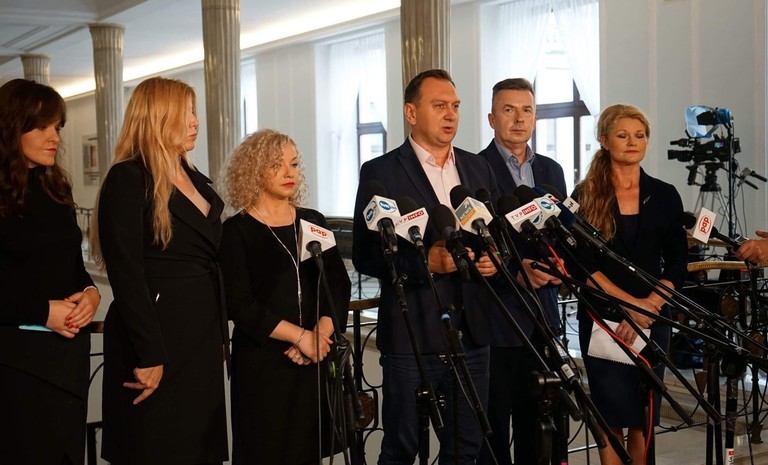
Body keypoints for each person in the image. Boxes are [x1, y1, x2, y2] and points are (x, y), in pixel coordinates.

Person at [352, 69, 499, 465]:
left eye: (455, 106)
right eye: (439, 106)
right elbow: (366, 254)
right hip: (412, 333)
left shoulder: (477, 168)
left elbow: (492, 235)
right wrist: (425, 264)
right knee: (401, 449)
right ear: (411, 113)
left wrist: (492, 259)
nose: (450, 115)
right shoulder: (381, 172)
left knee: (465, 448)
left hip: (472, 334)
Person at [92, 76, 228, 465]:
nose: (196, 122)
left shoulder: (197, 179)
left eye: (195, 112)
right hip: (156, 336)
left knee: (200, 448)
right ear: (159, 116)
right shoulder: (128, 177)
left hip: (200, 334)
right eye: (187, 112)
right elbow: (126, 273)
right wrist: (149, 352)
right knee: (157, 447)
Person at [219, 128, 351, 464]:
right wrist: (300, 337)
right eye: (276, 165)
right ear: (253, 170)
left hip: (314, 359)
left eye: (293, 164)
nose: (289, 173)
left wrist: (318, 337)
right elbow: (239, 304)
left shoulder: (313, 221)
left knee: (309, 453)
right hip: (264, 364)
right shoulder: (235, 232)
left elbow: (338, 285)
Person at [572, 104, 688, 465]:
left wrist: (650, 305)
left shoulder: (665, 194)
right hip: (603, 318)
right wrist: (629, 306)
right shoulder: (584, 195)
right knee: (610, 416)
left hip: (654, 318)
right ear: (604, 140)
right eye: (622, 135)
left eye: (639, 135)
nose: (632, 142)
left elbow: (678, 262)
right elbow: (582, 266)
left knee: (643, 415)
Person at [0, 78, 100, 465]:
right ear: (12, 127)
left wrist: (90, 293)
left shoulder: (55, 189)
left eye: (57, 126)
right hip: (17, 365)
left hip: (67, 361)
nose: (54, 137)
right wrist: (43, 311)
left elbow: (71, 267)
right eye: (41, 126)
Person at [476, 77, 567, 465]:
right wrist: (513, 271)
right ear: (492, 118)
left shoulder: (551, 170)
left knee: (541, 434)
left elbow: (560, 231)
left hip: (544, 319)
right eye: (509, 110)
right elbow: (476, 241)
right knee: (494, 433)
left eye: (526, 110)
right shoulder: (474, 168)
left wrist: (561, 263)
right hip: (497, 319)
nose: (518, 119)